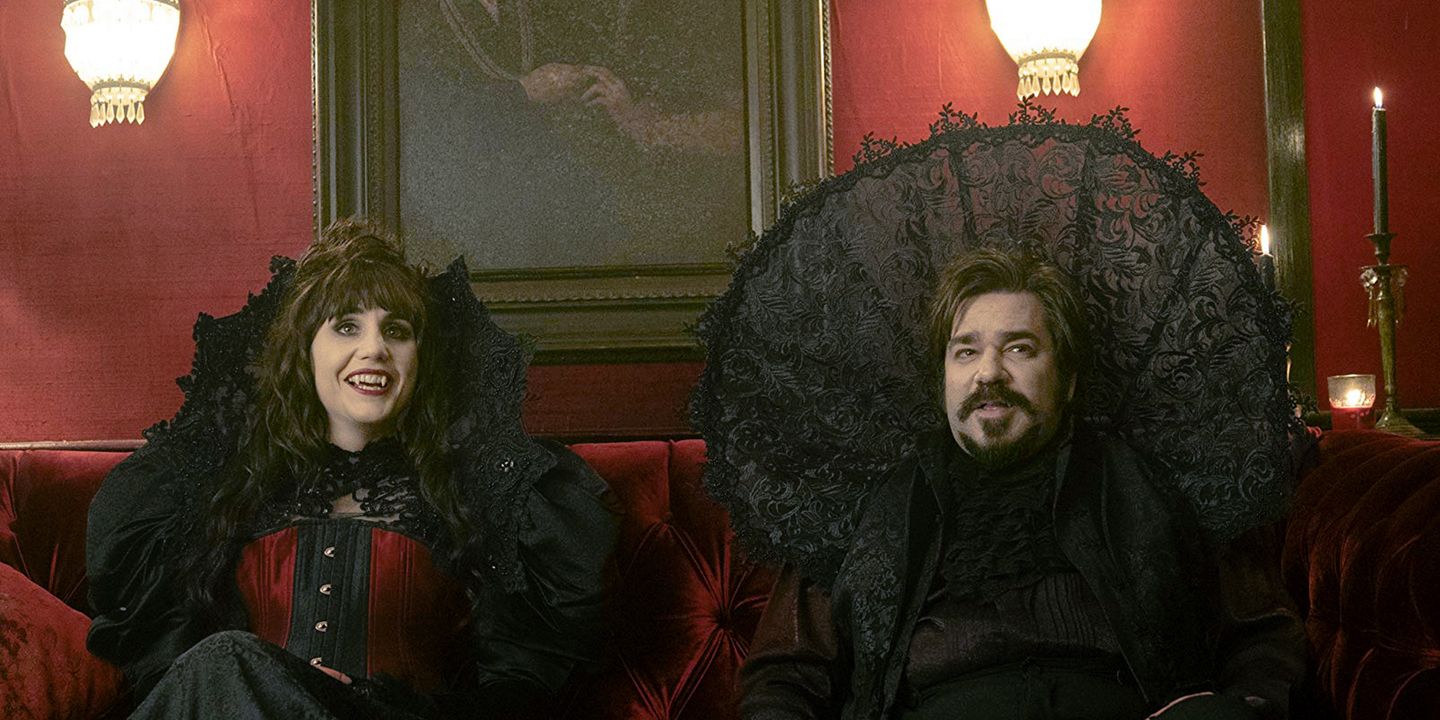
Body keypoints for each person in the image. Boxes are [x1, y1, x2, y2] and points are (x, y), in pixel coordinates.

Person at [738, 246, 1306, 719]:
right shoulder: (870, 506)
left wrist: (1235, 708)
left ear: (1067, 378)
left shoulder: (1147, 483)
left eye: (1019, 348)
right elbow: (785, 677)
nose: (988, 373)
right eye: (966, 351)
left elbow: (1262, 639)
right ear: (944, 378)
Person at [85, 221, 618, 718]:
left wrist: (375, 703)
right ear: (305, 352)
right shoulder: (232, 490)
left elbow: (519, 695)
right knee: (221, 660)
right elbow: (175, 681)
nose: (375, 349)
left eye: (397, 331)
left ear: (418, 359)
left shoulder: (473, 494)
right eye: (346, 327)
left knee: (225, 657)